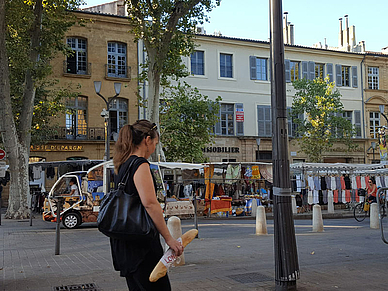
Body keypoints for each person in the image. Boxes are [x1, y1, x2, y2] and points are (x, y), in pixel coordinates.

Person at [110, 119, 183, 291]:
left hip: (124, 240)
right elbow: (150, 204)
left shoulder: (123, 165)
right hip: (141, 243)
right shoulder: (140, 164)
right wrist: (169, 238)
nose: (153, 149)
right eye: (155, 144)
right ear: (147, 140)